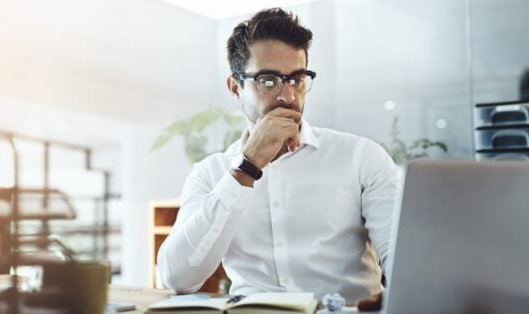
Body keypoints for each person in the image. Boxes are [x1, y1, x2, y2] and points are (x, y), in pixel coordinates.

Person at [158, 8, 398, 311]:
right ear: (235, 88)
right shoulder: (210, 173)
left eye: (297, 79)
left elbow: (403, 262)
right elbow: (177, 277)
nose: (287, 96)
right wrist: (247, 166)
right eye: (268, 81)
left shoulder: (362, 157)